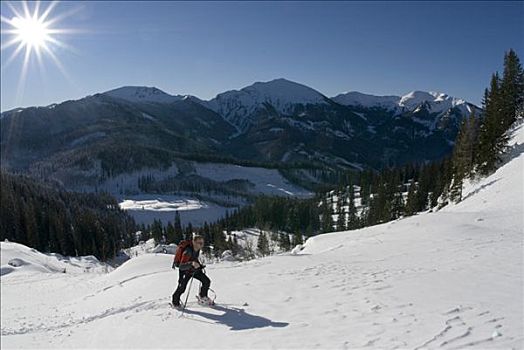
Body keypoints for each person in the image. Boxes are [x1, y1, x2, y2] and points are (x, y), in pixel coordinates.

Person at [171, 235, 212, 307]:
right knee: (181, 288)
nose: (201, 245)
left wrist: (199, 265)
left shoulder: (197, 249)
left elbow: (194, 258)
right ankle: (175, 303)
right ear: (194, 242)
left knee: (206, 281)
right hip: (185, 272)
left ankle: (203, 297)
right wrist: (192, 263)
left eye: (202, 243)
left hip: (193, 270)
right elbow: (181, 266)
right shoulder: (187, 251)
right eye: (199, 243)